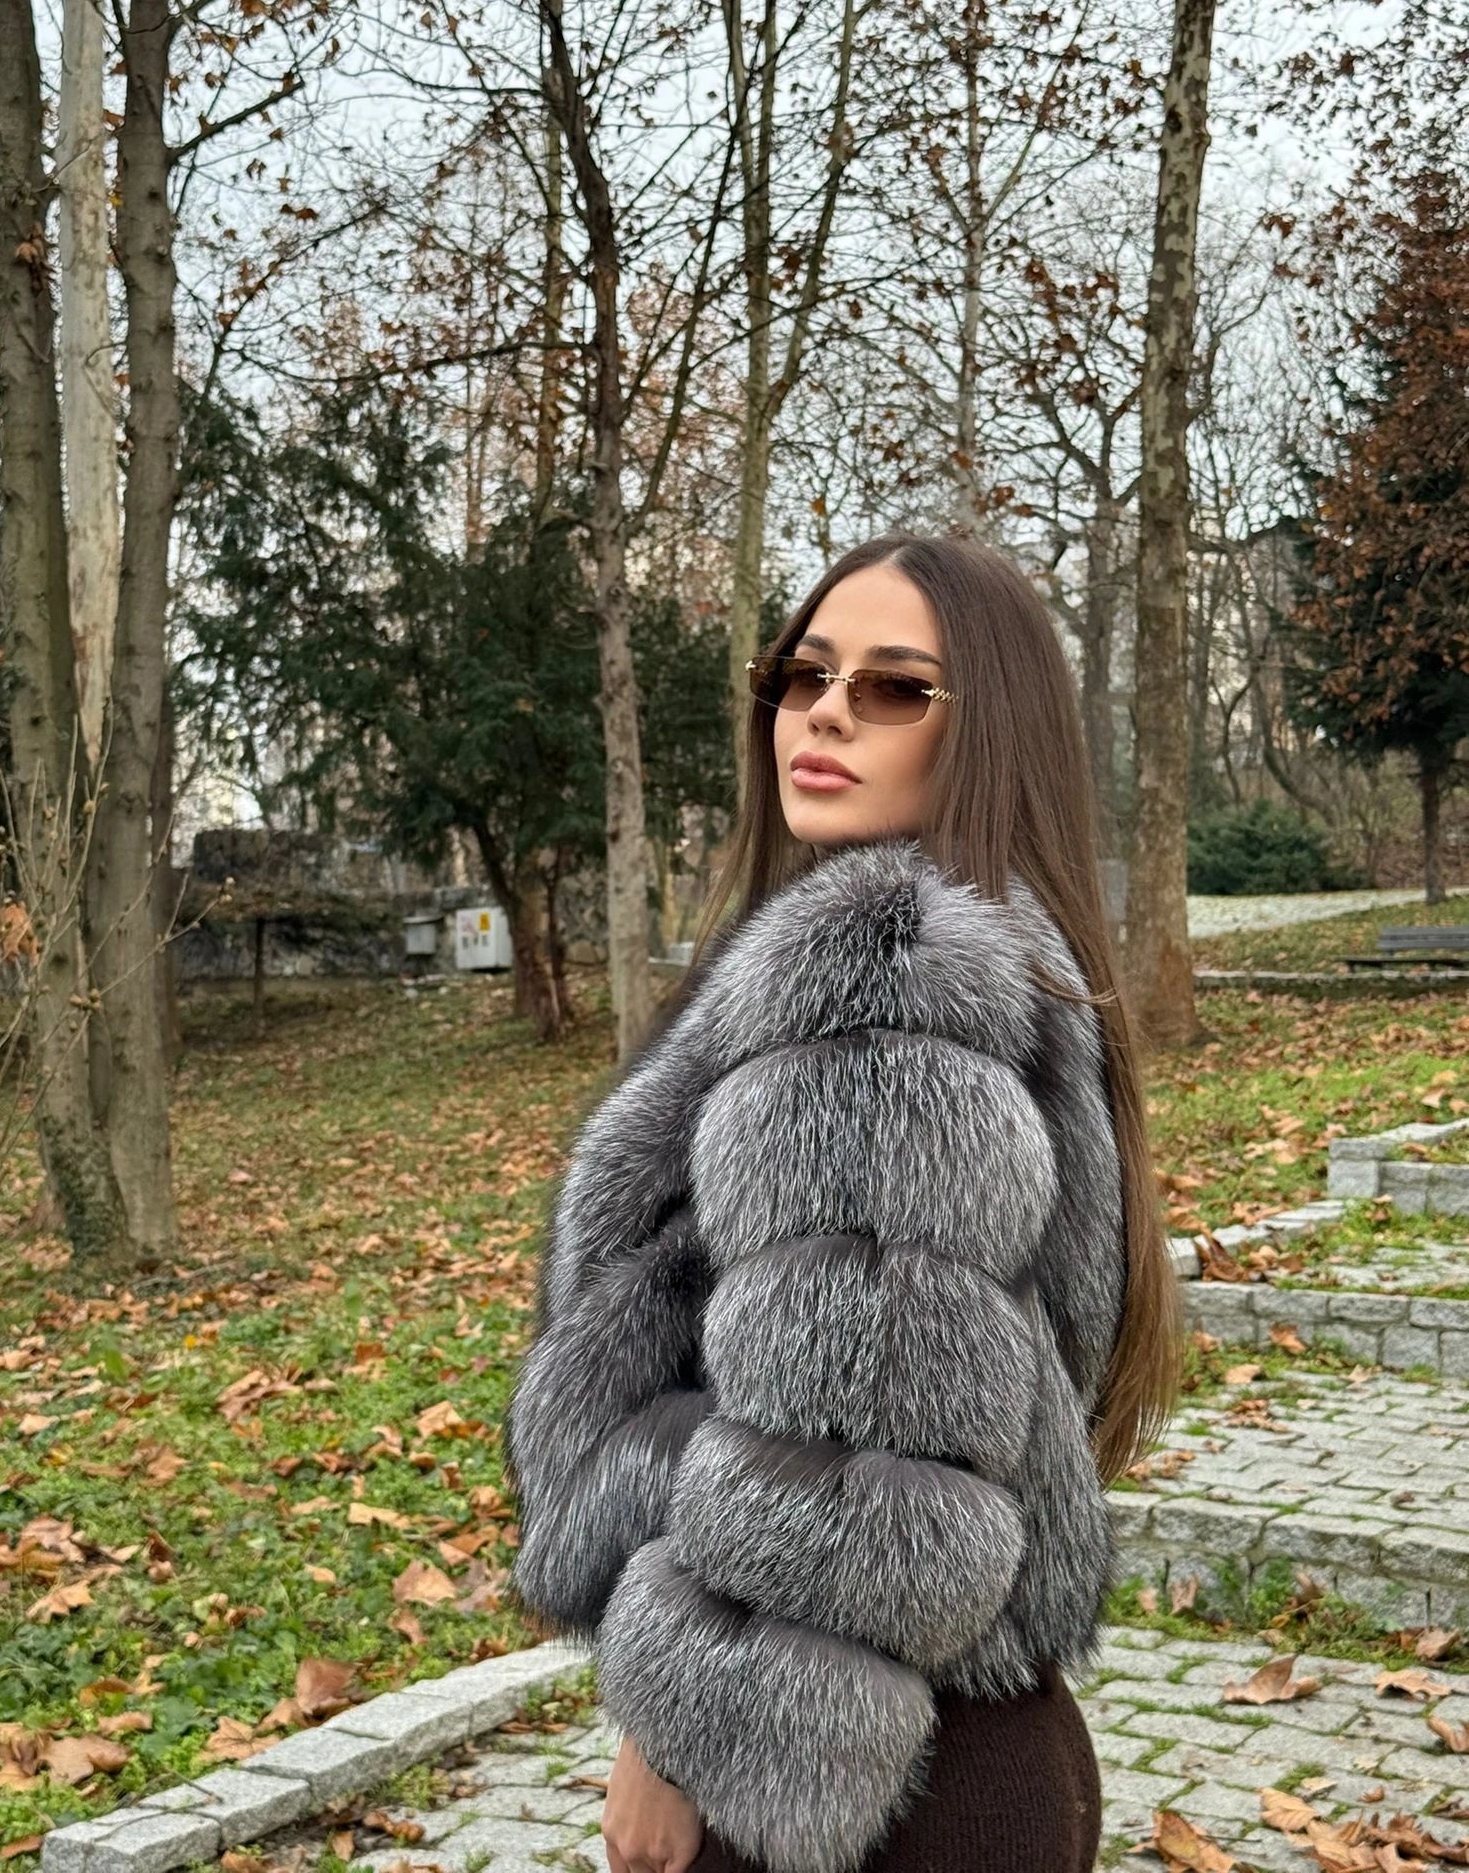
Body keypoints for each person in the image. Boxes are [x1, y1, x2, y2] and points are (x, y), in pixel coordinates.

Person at [501, 532, 1185, 1873]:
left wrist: (673, 1737)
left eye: (893, 688)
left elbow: (862, 1457)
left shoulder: (887, 977)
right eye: (804, 675)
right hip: (943, 1746)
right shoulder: (980, 954)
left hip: (844, 1773)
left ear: (985, 732)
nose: (824, 713)